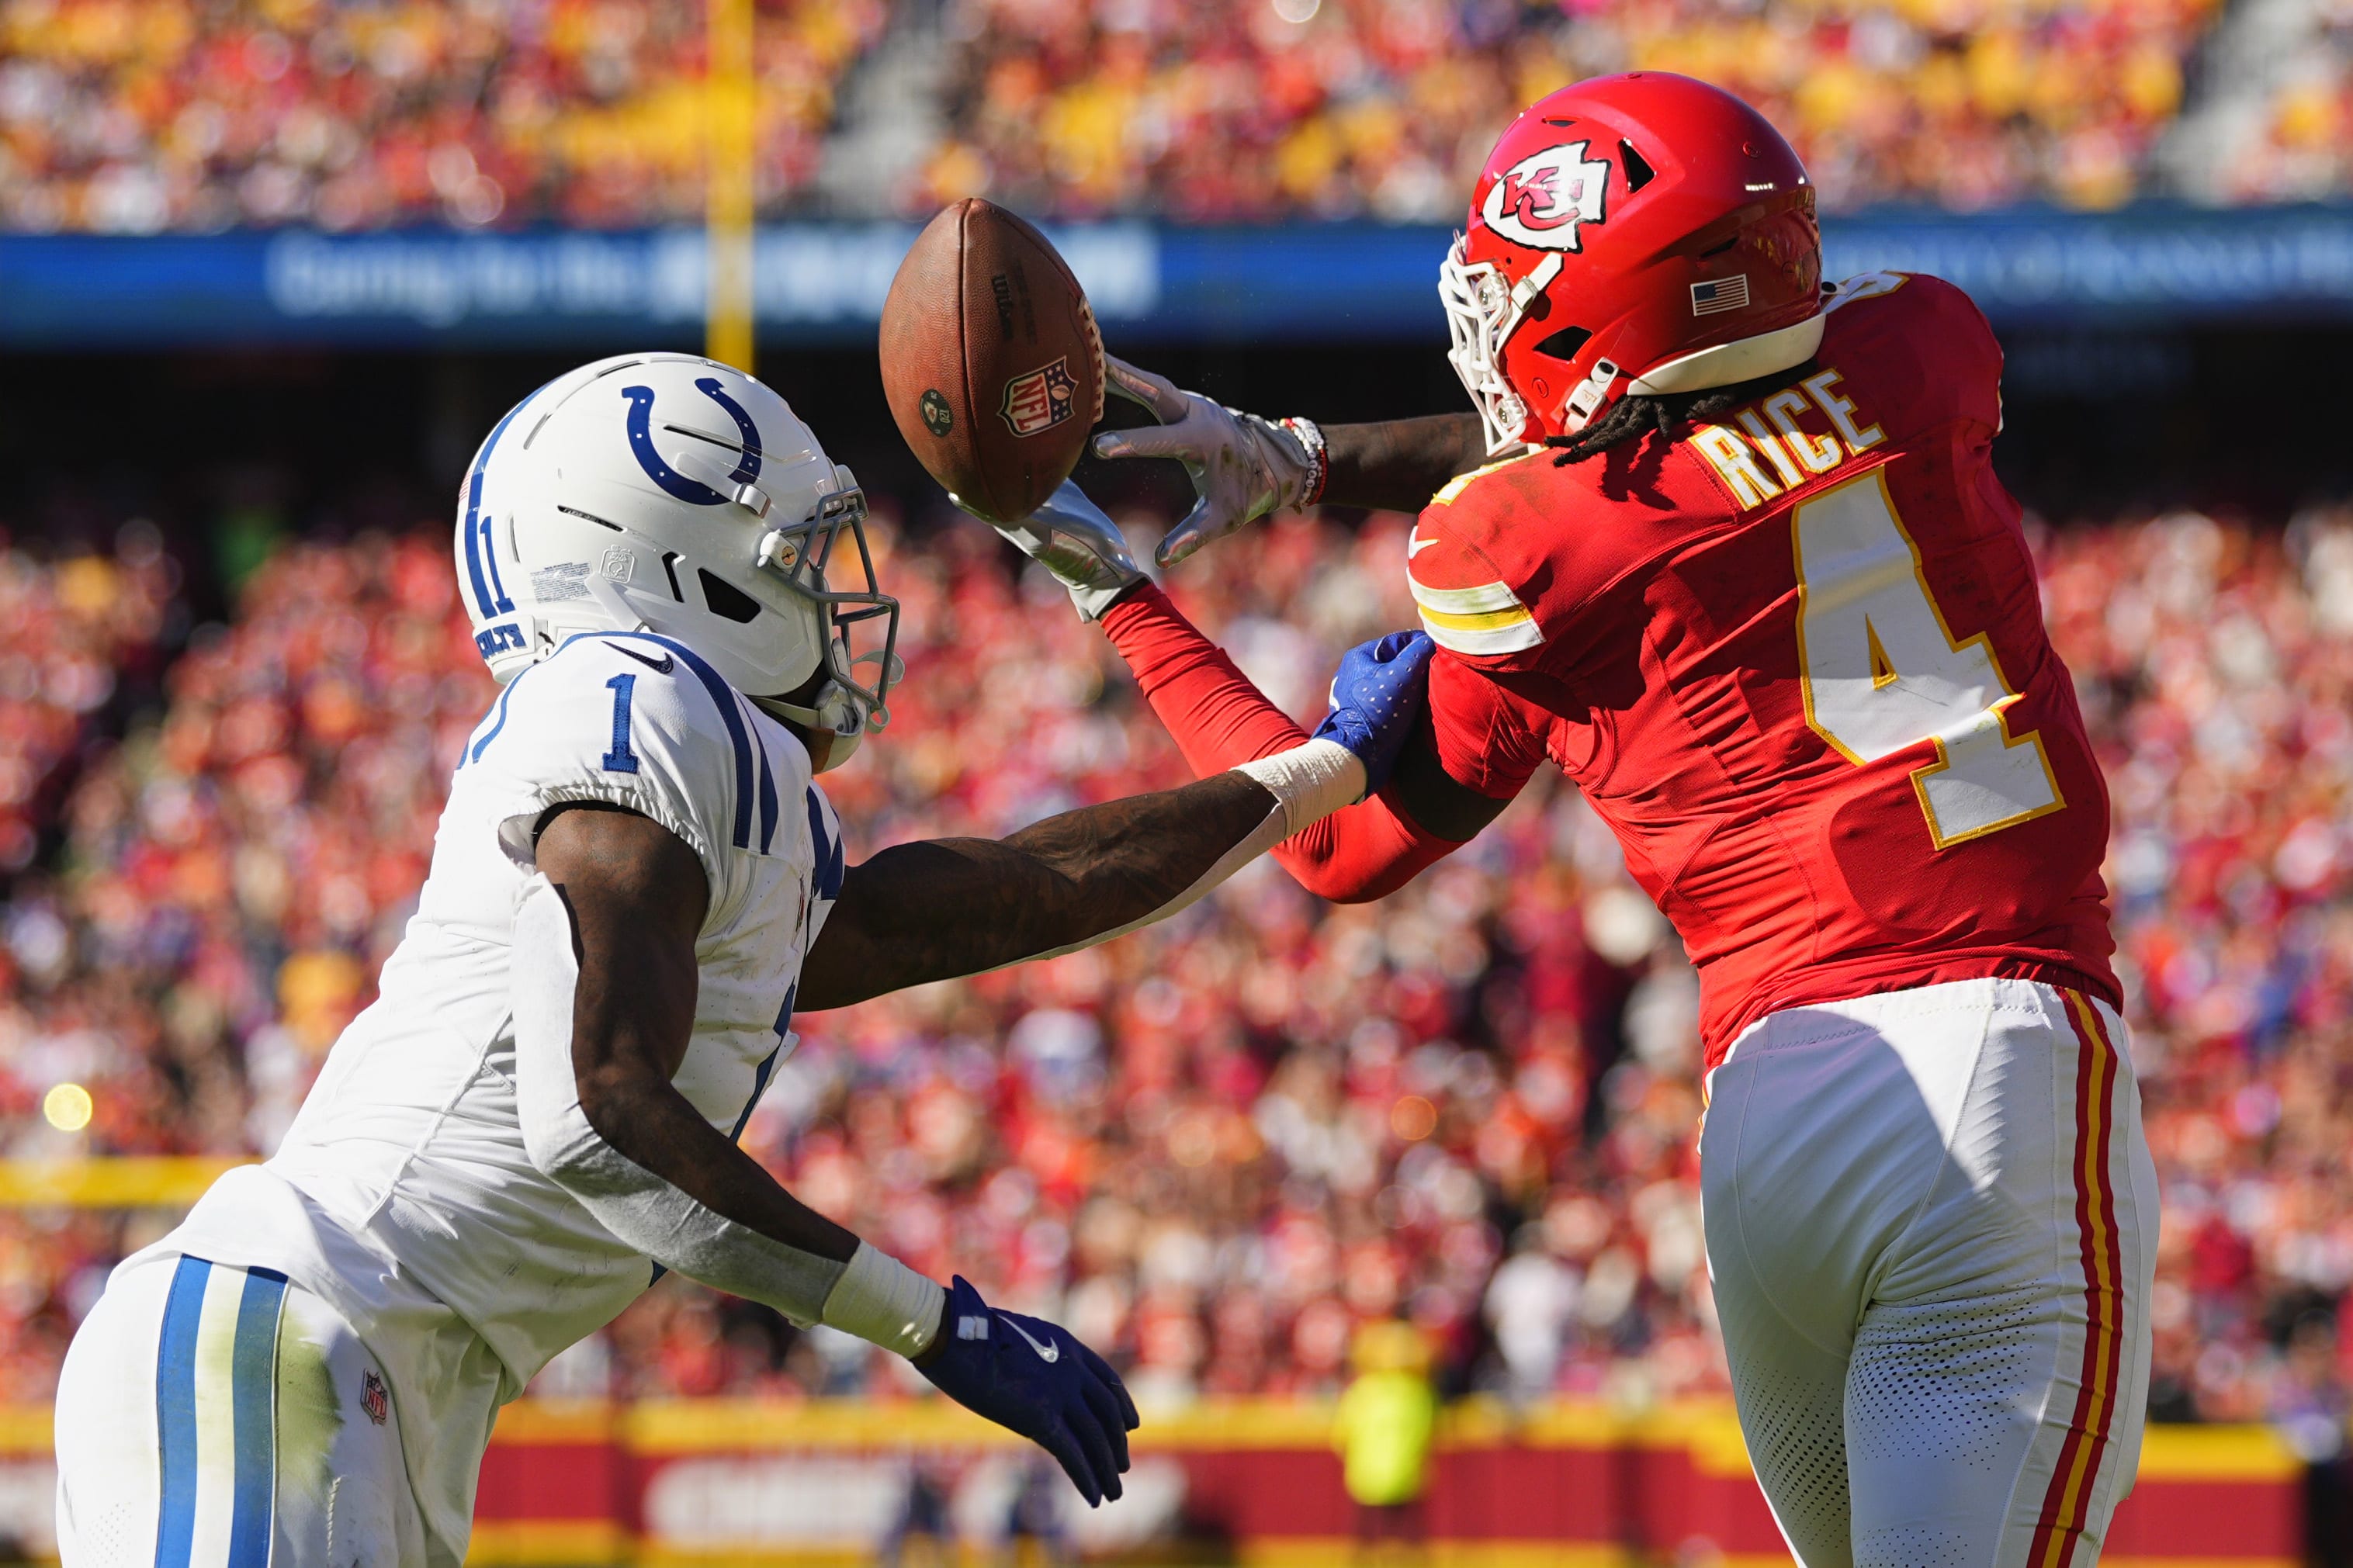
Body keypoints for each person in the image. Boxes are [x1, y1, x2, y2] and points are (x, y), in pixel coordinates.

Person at [1006, 71, 2161, 1568]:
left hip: (1766, 1126)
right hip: (1991, 1076)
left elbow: (1333, 840)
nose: (1490, 338)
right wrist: (1315, 455)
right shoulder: (1922, 346)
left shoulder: (1529, 558)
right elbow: (1686, 424)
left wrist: (1127, 586)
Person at [50, 352, 1437, 1568]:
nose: (835, 587)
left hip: (385, 1376)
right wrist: (930, 1323)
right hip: (292, 1323)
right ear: (676, 557)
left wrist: (1312, 773)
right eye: (800, 548)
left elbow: (1018, 894)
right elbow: (596, 1113)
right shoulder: (630, 698)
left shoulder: (717, 768)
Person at [1332, 1320, 1439, 1566]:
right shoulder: (1419, 1393)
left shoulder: (1361, 1390)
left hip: (1366, 1475)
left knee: (1367, 1533)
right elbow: (1429, 1432)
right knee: (1410, 1532)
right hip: (1407, 1474)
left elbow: (1341, 1435)